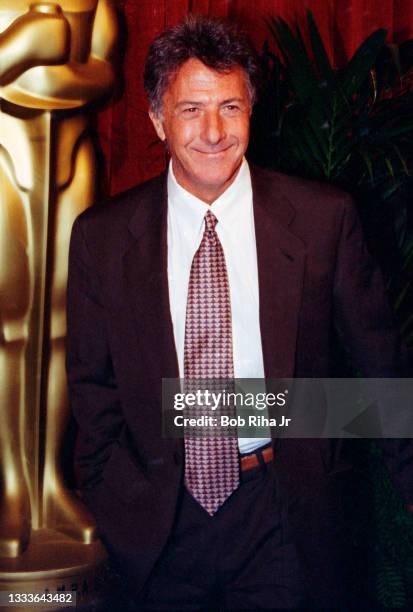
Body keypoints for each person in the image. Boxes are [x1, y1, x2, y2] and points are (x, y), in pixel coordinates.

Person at [66, 15, 412, 609]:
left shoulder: (322, 219)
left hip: (285, 517)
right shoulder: (102, 238)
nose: (213, 131)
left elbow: (381, 370)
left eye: (230, 106)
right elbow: (94, 393)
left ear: (252, 111)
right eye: (190, 109)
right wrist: (117, 500)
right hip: (157, 526)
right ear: (156, 119)